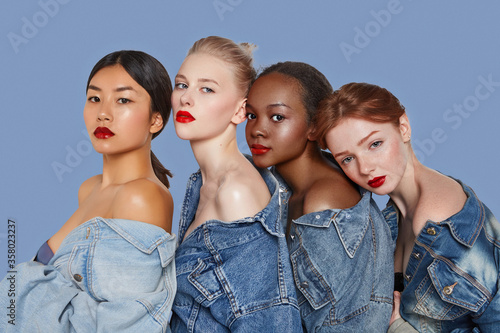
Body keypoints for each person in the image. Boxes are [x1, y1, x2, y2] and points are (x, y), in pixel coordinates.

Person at [0, 50, 177, 332]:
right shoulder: (90, 188)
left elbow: (123, 325)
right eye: (95, 98)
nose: (103, 113)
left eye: (123, 100)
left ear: (156, 120)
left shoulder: (142, 198)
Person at [314, 82, 500, 332]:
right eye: (348, 159)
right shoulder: (393, 214)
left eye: (374, 144)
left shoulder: (441, 222)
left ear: (403, 127)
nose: (365, 168)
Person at [245, 62, 394, 332]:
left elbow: (343, 322)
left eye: (277, 117)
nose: (258, 129)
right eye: (251, 115)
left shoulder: (324, 202)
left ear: (314, 127)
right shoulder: (283, 187)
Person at [170, 36, 302, 332]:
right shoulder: (203, 185)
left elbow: (270, 321)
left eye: (207, 89)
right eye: (182, 84)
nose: (186, 98)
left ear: (240, 110)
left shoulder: (236, 193)